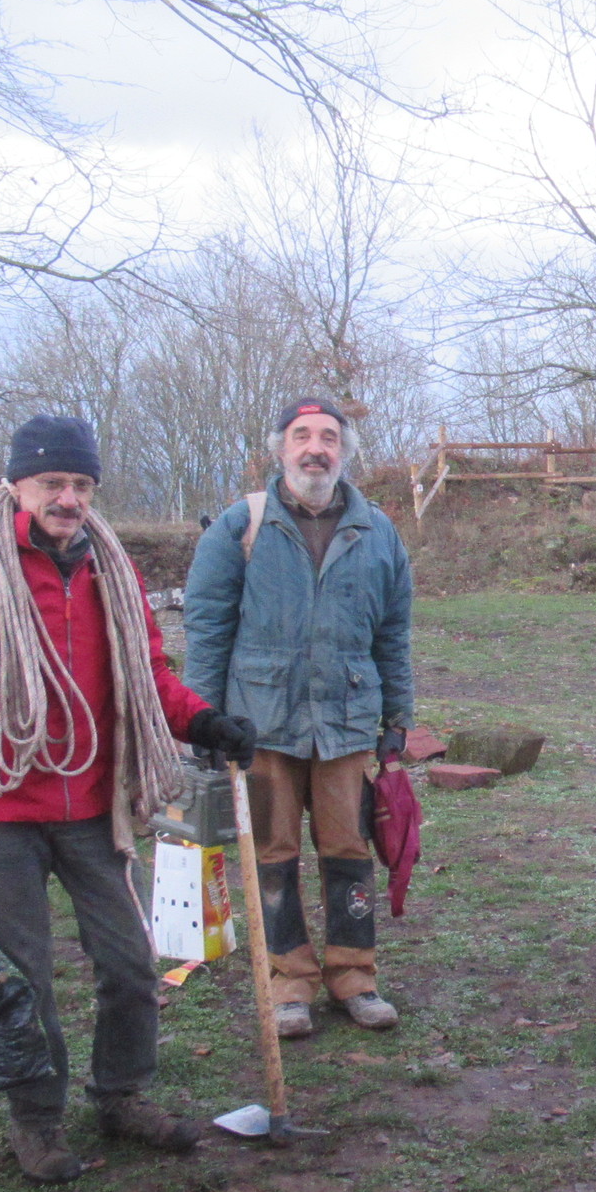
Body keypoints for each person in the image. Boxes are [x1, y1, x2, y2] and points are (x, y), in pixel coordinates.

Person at [0, 414, 259, 1183]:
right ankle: (36, 1121)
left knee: (130, 963)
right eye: (53, 483)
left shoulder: (109, 571)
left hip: (95, 805)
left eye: (82, 485)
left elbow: (147, 674)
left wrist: (204, 721)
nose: (69, 499)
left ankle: (121, 1095)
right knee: (24, 978)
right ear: (16, 485)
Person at [183, 397, 414, 1038]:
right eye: (303, 436)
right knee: (272, 853)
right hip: (260, 724)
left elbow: (393, 632)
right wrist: (201, 718)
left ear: (344, 450)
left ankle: (354, 977)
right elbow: (206, 628)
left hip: (346, 722)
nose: (316, 448)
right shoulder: (240, 527)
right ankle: (289, 983)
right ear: (281, 449)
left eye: (329, 437)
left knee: (349, 850)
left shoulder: (377, 531)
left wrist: (398, 715)